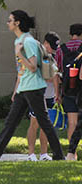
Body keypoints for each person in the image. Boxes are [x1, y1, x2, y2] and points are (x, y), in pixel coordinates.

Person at [0, 10, 64, 161]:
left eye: (10, 20)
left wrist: (20, 54)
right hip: (24, 88)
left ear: (17, 23)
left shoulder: (28, 42)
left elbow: (32, 67)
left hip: (34, 88)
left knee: (44, 123)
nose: (7, 22)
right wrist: (16, 90)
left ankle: (59, 155)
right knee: (10, 123)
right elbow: (22, 70)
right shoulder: (18, 41)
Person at [26, 32, 61, 161]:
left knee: (47, 126)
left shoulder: (51, 57)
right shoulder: (37, 57)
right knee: (34, 124)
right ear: (45, 43)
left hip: (50, 96)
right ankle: (30, 154)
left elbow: (55, 77)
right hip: (37, 96)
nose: (52, 49)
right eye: (51, 46)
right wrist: (54, 77)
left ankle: (44, 154)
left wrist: (57, 94)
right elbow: (45, 76)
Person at [55, 23, 82, 157]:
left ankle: (73, 153)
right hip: (80, 90)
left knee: (72, 122)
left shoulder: (61, 49)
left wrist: (57, 93)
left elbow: (57, 72)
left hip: (68, 90)